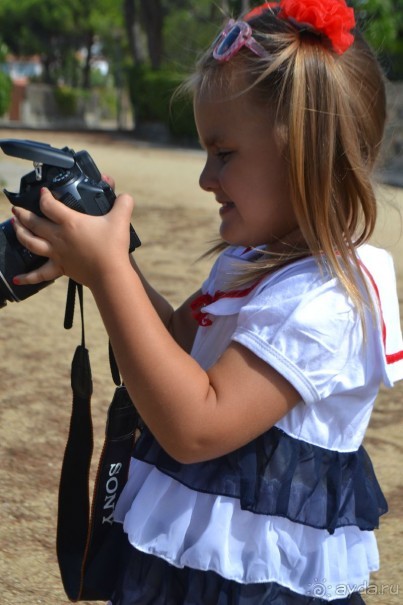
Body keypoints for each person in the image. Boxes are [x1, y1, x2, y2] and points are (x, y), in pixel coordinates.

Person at [10, 1, 403, 603]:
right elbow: (172, 341)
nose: (204, 178)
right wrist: (103, 261)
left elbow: (196, 424)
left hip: (256, 583)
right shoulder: (250, 263)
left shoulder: (329, 301)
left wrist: (110, 271)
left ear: (309, 157)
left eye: (224, 154)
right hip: (191, 568)